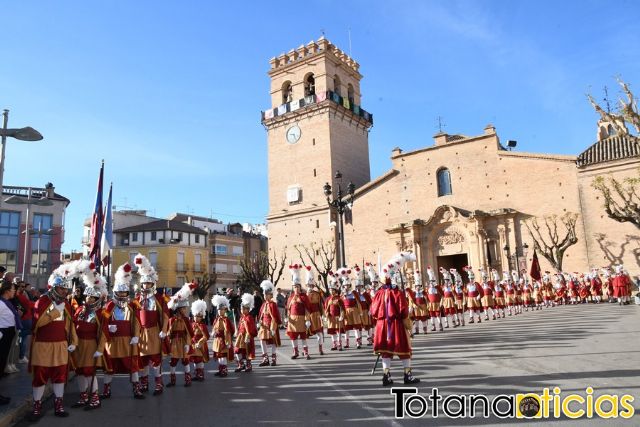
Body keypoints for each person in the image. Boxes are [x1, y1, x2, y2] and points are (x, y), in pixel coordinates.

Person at [29, 263, 79, 420]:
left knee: (60, 376)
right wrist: (55, 311)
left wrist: (74, 342)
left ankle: (59, 404)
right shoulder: (42, 302)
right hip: (42, 346)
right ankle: (36, 406)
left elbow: (70, 326)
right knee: (40, 377)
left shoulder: (66, 305)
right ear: (54, 288)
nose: (64, 291)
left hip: (60, 346)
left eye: (66, 289)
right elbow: (38, 324)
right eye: (62, 289)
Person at [370, 259, 419, 387]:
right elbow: (404, 312)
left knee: (386, 351)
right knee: (404, 349)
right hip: (396, 324)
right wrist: (409, 327)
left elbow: (373, 311)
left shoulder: (378, 293)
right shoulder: (397, 293)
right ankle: (407, 375)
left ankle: (386, 375)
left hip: (381, 325)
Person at [101, 263, 145, 400]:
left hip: (128, 341)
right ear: (115, 292)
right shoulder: (109, 306)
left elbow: (137, 322)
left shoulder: (131, 306)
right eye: (120, 292)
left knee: (133, 366)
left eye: (124, 292)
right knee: (110, 366)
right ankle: (106, 390)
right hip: (112, 342)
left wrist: (136, 336)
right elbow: (103, 322)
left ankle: (136, 389)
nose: (122, 295)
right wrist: (108, 329)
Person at [71, 263, 108, 410]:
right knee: (79, 371)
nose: (89, 300)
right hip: (78, 344)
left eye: (93, 298)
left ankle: (95, 399)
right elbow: (73, 325)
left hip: (91, 344)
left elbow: (104, 332)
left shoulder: (101, 313)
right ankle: (83, 396)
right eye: (88, 297)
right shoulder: (80, 309)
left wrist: (100, 348)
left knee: (88, 372)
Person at [134, 254, 169, 396]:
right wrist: (134, 334)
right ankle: (144, 383)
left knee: (155, 359)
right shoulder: (137, 300)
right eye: (144, 283)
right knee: (142, 360)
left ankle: (159, 384)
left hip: (154, 331)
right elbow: (134, 318)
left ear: (153, 284)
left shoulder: (159, 299)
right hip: (141, 333)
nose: (146, 286)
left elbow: (165, 316)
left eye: (148, 283)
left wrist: (164, 330)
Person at [166, 283, 196, 387]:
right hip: (174, 343)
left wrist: (188, 344)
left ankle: (188, 380)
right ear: (178, 309)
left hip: (183, 343)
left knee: (186, 361)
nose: (185, 310)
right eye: (183, 308)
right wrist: (167, 342)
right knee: (173, 361)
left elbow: (188, 333)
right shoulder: (172, 320)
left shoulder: (186, 320)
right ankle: (172, 380)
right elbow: (169, 332)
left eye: (185, 308)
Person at [286, 265, 313, 359]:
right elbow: (288, 309)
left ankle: (305, 352)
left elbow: (307, 309)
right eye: (294, 287)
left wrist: (307, 320)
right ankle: (295, 352)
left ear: (300, 287)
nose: (296, 289)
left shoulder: (304, 297)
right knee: (293, 336)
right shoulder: (290, 297)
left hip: (302, 319)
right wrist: (288, 318)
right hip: (292, 320)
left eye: (297, 287)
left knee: (303, 336)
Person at [0, 279, 20, 405]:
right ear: (7, 291)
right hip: (2, 336)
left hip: (7, 336)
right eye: (13, 289)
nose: (14, 291)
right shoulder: (1, 303)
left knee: (1, 366)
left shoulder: (6, 302)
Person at [257, 280, 281, 367]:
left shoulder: (273, 304)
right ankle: (265, 358)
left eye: (266, 294)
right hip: (264, 326)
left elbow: (275, 316)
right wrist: (259, 322)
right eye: (264, 294)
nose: (264, 296)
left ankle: (273, 358)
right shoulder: (264, 304)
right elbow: (261, 315)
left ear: (269, 295)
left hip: (271, 326)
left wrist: (273, 328)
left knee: (273, 341)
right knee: (262, 340)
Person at [211, 295, 234, 377]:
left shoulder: (226, 320)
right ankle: (220, 369)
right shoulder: (217, 319)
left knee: (223, 355)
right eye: (218, 310)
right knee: (219, 355)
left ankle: (224, 371)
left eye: (222, 310)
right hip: (217, 340)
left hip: (223, 340)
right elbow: (214, 327)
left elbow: (227, 331)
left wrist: (228, 342)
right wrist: (213, 332)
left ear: (225, 310)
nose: (220, 311)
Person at [304, 266, 326, 355]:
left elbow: (321, 305)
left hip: (316, 315)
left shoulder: (318, 294)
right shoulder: (304, 295)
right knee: (304, 335)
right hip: (307, 316)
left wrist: (323, 315)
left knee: (319, 333)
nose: (310, 286)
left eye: (311, 285)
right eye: (309, 285)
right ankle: (305, 350)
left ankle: (320, 349)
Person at [234, 293, 257, 372]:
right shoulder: (242, 318)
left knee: (247, 351)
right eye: (242, 308)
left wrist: (248, 336)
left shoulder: (249, 318)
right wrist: (236, 332)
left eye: (244, 309)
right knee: (237, 350)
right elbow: (239, 327)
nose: (242, 310)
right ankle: (241, 364)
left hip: (247, 337)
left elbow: (251, 328)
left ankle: (248, 365)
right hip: (240, 337)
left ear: (248, 309)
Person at [323, 273, 345, 351]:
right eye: (330, 290)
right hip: (331, 317)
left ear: (335, 290)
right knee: (332, 332)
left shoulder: (339, 299)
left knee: (338, 332)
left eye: (332, 290)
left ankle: (340, 344)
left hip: (337, 317)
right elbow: (326, 308)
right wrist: (326, 315)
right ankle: (334, 344)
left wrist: (341, 316)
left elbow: (342, 309)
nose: (331, 291)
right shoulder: (328, 299)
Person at [15, 278, 34, 364]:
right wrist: (38, 303)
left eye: (24, 286)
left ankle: (21, 356)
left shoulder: (23, 294)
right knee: (22, 338)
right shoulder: (19, 296)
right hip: (25, 319)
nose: (23, 288)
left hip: (26, 318)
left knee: (22, 338)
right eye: (21, 286)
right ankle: (21, 356)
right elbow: (29, 304)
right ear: (17, 287)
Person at [189, 299, 210, 381]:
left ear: (201, 317)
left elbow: (206, 336)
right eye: (195, 316)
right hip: (193, 344)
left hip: (200, 345)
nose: (196, 318)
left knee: (200, 359)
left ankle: (201, 375)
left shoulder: (202, 326)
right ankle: (197, 374)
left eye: (198, 316)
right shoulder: (192, 324)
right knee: (195, 359)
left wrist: (200, 342)